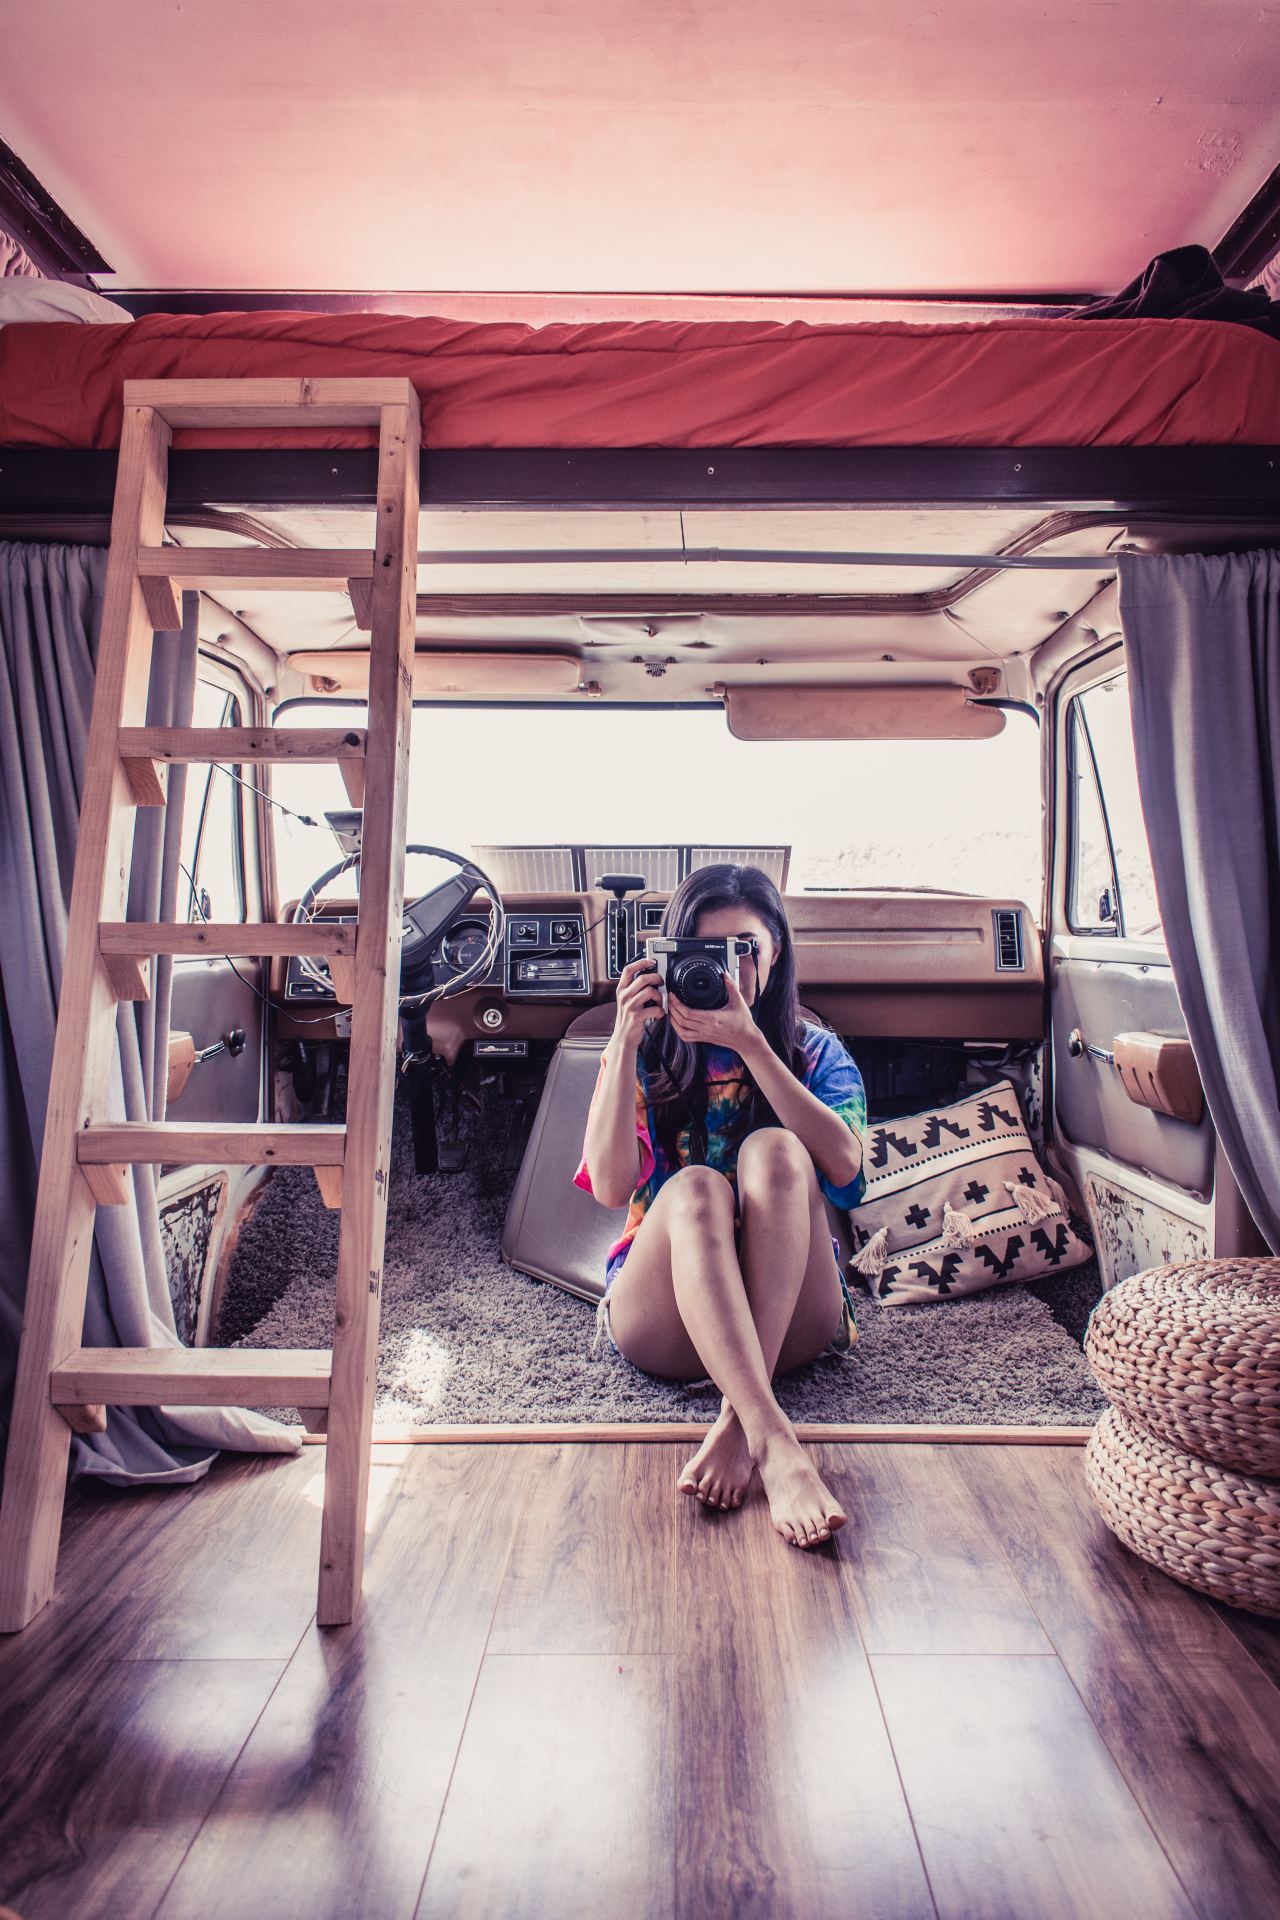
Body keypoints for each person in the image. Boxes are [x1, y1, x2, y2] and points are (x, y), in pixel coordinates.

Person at [573, 864, 867, 1550]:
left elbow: (848, 1174)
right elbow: (613, 1188)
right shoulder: (644, 1057)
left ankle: (741, 1424)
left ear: (775, 956)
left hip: (792, 1316)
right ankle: (775, 1442)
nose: (725, 974)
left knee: (778, 1151)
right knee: (698, 1187)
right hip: (668, 1320)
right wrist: (621, 1043)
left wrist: (751, 1043)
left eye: (746, 952)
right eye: (707, 956)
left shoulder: (813, 1050)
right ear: (671, 959)